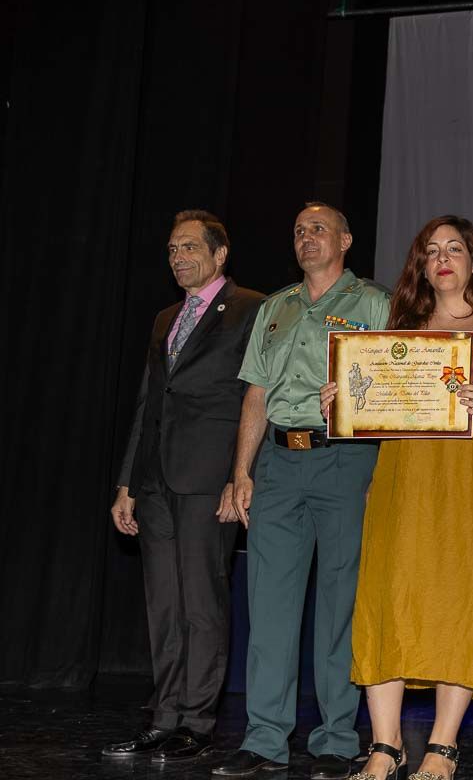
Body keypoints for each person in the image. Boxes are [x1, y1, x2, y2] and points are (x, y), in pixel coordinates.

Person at [319, 216, 473, 780]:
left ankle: (442, 746)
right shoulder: (400, 326)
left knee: (460, 600)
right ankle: (385, 746)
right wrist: (344, 402)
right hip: (404, 473)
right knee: (390, 598)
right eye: (431, 250)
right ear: (420, 264)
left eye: (454, 248)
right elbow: (375, 411)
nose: (443, 257)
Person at [212, 203, 391, 780]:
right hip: (279, 466)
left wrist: (380, 470)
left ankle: (337, 736)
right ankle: (264, 738)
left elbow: (398, 390)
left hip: (347, 463)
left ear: (345, 239)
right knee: (269, 606)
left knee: (340, 607)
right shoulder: (275, 307)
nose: (306, 238)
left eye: (318, 229)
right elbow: (256, 396)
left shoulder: (376, 304)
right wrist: (242, 472)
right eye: (297, 231)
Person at [103, 210, 264, 763]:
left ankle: (197, 720)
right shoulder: (165, 317)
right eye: (173, 250)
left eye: (190, 248)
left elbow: (255, 397)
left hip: (207, 476)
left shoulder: (250, 308)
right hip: (154, 479)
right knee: (164, 606)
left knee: (202, 603)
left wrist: (237, 475)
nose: (179, 258)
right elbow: (150, 402)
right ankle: (164, 716)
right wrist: (126, 482)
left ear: (220, 255)